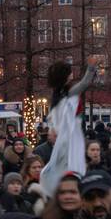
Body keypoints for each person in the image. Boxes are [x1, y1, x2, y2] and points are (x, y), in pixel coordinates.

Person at [40, 56, 99, 199]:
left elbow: (54, 116)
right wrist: (91, 68)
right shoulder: (70, 92)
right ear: (65, 76)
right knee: (72, 161)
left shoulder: (56, 95)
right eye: (70, 72)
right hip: (71, 134)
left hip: (66, 135)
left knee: (63, 162)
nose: (72, 75)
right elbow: (85, 83)